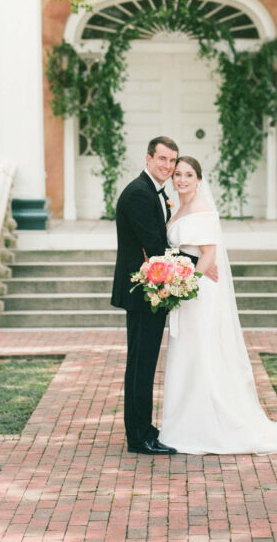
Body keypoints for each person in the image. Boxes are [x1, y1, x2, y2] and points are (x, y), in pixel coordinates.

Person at [159, 155, 277, 455]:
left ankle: (209, 426)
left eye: (188, 174)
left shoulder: (201, 208)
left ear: (199, 180)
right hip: (185, 290)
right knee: (187, 353)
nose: (182, 180)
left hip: (197, 292)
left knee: (201, 353)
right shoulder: (177, 209)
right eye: (177, 174)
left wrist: (182, 286)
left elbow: (209, 255)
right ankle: (185, 423)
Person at [111, 135, 180, 456]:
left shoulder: (152, 192)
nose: (168, 166)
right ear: (149, 159)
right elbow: (155, 246)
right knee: (141, 365)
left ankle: (145, 430)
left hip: (149, 289)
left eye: (172, 161)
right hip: (142, 290)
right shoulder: (139, 194)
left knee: (145, 363)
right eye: (162, 159)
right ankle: (139, 438)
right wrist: (197, 263)